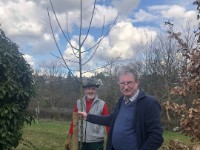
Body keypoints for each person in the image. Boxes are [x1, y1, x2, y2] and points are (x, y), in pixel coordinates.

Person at [78, 65, 164, 150]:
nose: (125, 87)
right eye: (122, 83)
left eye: (129, 82)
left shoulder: (149, 103)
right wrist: (87, 116)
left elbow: (156, 136)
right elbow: (111, 119)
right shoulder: (121, 100)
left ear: (137, 83)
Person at [65, 78, 109, 150]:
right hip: (81, 140)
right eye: (88, 89)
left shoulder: (102, 104)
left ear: (95, 90)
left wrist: (110, 138)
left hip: (96, 142)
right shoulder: (79, 103)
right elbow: (74, 121)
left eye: (93, 89)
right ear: (85, 90)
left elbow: (108, 123)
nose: (90, 91)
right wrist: (69, 136)